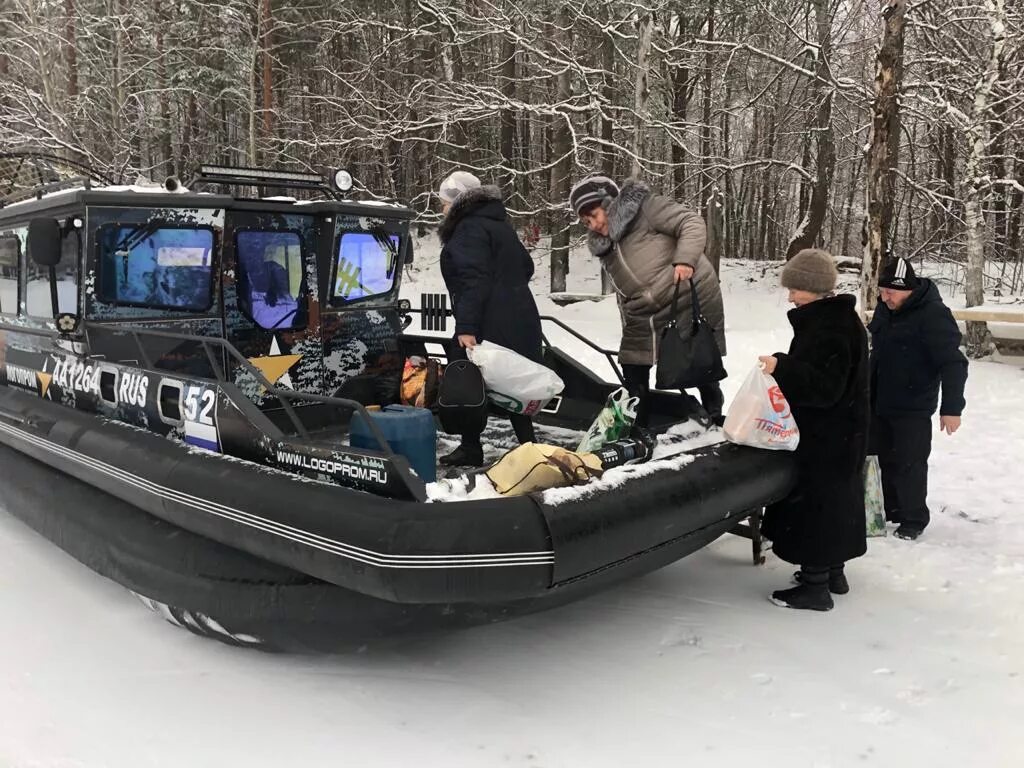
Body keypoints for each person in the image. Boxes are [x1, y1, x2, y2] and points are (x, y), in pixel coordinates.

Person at [758, 249, 869, 611]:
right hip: (844, 431)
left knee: (818, 505)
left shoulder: (829, 326)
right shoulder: (838, 318)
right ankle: (833, 573)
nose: (790, 296)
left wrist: (782, 368)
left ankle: (814, 587)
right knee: (837, 503)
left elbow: (825, 388)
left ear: (814, 288)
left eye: (795, 290)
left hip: (828, 434)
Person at [570, 175, 726, 427]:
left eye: (595, 215)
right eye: (586, 221)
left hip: (682, 296)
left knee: (694, 358)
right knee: (632, 364)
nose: (593, 224)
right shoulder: (605, 246)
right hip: (643, 312)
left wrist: (685, 259)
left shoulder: (647, 208)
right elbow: (623, 291)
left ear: (610, 203)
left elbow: (691, 222)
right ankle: (637, 426)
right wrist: (626, 320)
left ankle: (714, 412)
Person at [436, 170, 543, 466]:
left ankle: (474, 447)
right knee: (512, 383)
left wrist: (467, 326)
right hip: (519, 316)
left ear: (458, 202)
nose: (442, 208)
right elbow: (526, 266)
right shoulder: (499, 226)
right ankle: (529, 449)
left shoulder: (469, 229)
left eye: (445, 202)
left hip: (487, 319)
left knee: (466, 378)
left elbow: (473, 280)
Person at [868, 257, 968, 540]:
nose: (884, 297)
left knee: (910, 463)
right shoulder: (885, 308)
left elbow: (953, 363)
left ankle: (913, 519)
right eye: (882, 291)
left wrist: (952, 408)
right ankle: (890, 509)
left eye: (891, 292)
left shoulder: (933, 314)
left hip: (913, 404)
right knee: (878, 458)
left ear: (908, 289)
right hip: (878, 399)